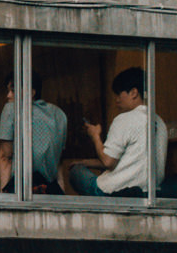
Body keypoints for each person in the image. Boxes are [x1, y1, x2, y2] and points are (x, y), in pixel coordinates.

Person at [67, 67, 169, 197]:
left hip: (116, 193)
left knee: (76, 172)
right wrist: (85, 162)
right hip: (149, 193)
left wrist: (95, 136)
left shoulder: (125, 118)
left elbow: (108, 162)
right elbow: (120, 161)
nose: (117, 100)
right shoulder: (159, 121)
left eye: (119, 94)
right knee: (81, 166)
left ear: (133, 93)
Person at [0, 76, 68, 193]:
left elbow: (6, 157)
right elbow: (59, 160)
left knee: (2, 153)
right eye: (8, 91)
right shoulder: (59, 115)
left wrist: (4, 198)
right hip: (51, 189)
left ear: (31, 93)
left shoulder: (11, 109)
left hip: (21, 189)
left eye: (13, 91)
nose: (8, 96)